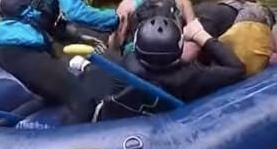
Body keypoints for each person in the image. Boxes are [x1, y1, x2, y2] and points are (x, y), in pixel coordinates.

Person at [97, 14, 246, 119]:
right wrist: (201, 35)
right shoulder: (192, 76)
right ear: (179, 47)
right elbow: (236, 69)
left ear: (136, 45)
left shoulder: (122, 66)